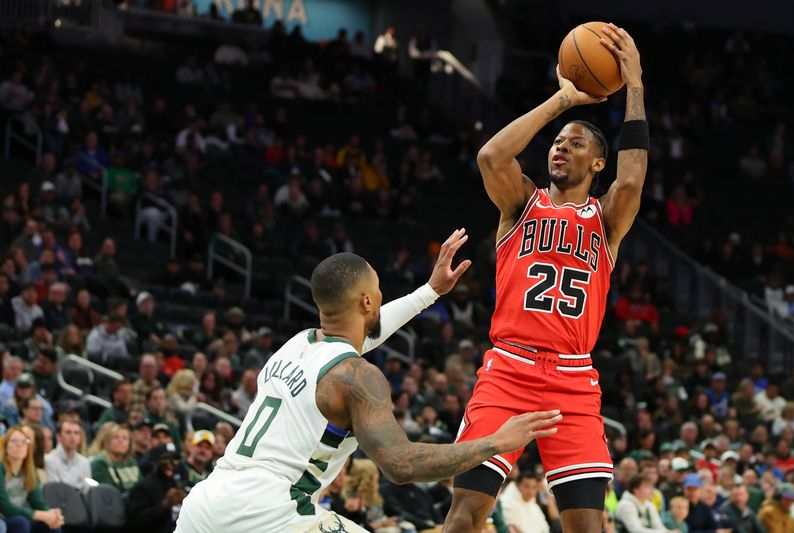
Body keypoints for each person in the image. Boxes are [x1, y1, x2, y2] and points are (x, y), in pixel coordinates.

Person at [176, 231, 562, 532]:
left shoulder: (297, 345)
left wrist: (428, 293)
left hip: (206, 503)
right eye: (377, 289)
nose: (380, 296)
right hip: (267, 513)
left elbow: (364, 336)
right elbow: (401, 465)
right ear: (365, 302)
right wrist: (497, 442)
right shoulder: (358, 377)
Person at [443, 24, 646, 533]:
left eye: (575, 144)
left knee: (586, 527)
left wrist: (635, 84)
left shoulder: (605, 221)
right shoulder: (521, 204)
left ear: (596, 161)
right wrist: (562, 101)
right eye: (557, 142)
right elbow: (491, 156)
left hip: (573, 380)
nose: (560, 148)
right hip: (507, 370)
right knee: (465, 515)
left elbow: (632, 178)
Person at [0, 427, 64, 532]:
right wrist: (39, 514)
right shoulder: (1, 469)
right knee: (20, 523)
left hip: (19, 516)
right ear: (6, 447)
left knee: (52, 526)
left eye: (24, 441)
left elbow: (38, 503)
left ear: (28, 448)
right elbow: (5, 507)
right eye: (14, 441)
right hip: (3, 518)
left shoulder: (29, 472)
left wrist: (53, 516)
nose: (19, 445)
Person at [127, 443, 187, 533]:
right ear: (156, 461)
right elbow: (137, 522)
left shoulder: (176, 484)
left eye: (175, 460)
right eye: (166, 460)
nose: (170, 464)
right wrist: (164, 506)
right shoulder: (142, 487)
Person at [89, 422, 141, 493]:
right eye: (116, 437)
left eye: (125, 438)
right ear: (108, 441)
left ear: (130, 444)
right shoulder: (100, 463)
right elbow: (108, 492)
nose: (120, 441)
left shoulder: (132, 463)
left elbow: (142, 487)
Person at [44, 420, 90, 489]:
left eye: (76, 433)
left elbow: (87, 490)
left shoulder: (85, 462)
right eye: (68, 432)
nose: (72, 436)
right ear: (58, 436)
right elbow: (54, 490)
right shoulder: (48, 460)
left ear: (80, 437)